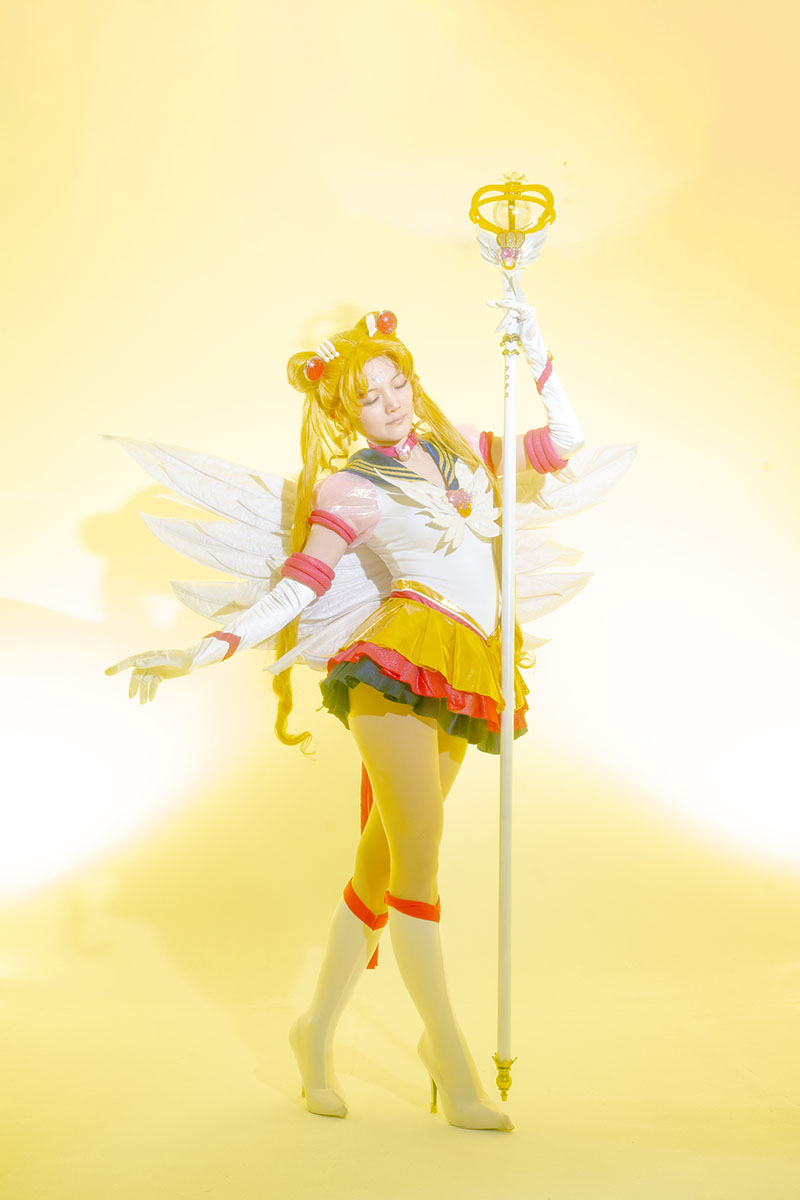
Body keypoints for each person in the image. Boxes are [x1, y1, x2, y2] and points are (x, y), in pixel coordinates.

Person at [106, 291, 591, 1131]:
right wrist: (197, 652)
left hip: (465, 668)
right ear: (344, 411)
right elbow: (299, 586)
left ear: (411, 377)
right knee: (419, 861)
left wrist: (536, 346)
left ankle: (313, 1031)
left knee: (379, 868)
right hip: (394, 671)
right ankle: (450, 1056)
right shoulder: (350, 486)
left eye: (395, 383)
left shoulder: (460, 448)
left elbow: (564, 444)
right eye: (367, 397)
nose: (390, 403)